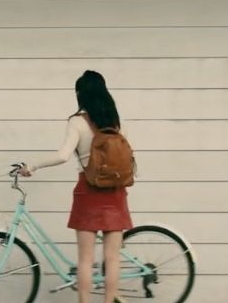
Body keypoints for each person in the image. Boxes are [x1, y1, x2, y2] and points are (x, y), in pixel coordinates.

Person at [19, 70, 132, 303]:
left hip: (88, 191)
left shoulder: (77, 122)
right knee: (112, 259)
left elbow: (63, 156)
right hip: (115, 193)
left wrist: (33, 166)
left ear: (80, 94)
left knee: (85, 260)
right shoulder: (116, 122)